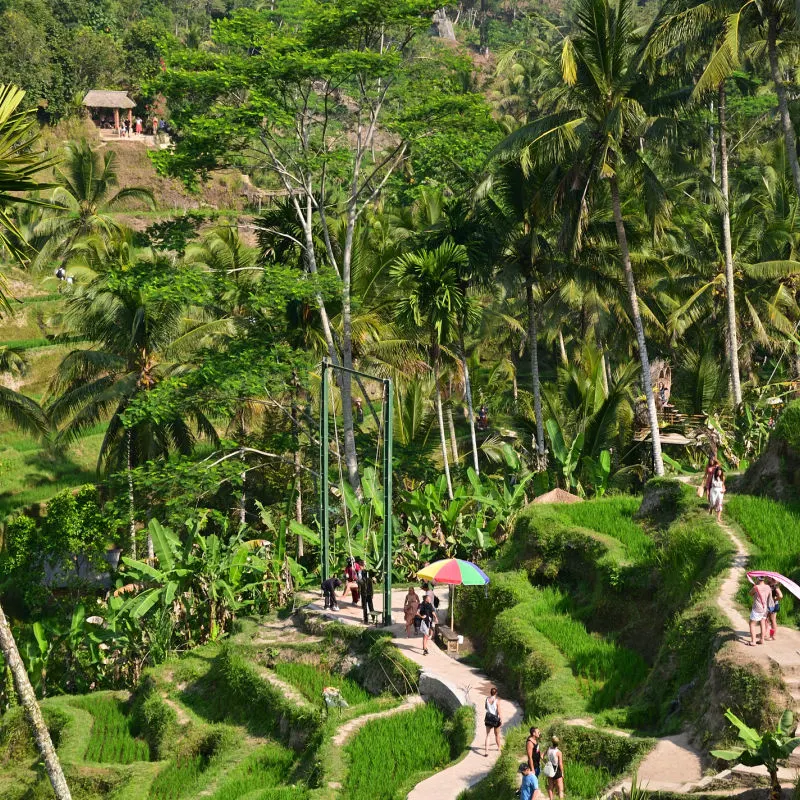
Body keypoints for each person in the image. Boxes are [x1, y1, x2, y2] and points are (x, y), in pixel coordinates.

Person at [748, 576, 772, 646]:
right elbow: (769, 596)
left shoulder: (756, 587)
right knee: (762, 623)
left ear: (758, 579)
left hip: (757, 608)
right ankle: (762, 640)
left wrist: (755, 585)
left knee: (752, 624)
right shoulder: (768, 587)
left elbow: (750, 593)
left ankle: (753, 641)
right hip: (765, 609)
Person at [544, 735, 564, 799]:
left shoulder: (548, 749)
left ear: (552, 742)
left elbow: (541, 756)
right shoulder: (559, 752)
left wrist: (545, 762)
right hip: (556, 769)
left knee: (550, 787)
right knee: (560, 789)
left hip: (550, 768)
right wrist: (562, 772)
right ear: (558, 743)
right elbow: (560, 764)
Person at [483, 687, 502, 756]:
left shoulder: (487, 699)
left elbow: (485, 707)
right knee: (497, 735)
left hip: (488, 718)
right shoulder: (497, 701)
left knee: (488, 735)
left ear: (490, 692)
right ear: (496, 693)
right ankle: (499, 748)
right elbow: (499, 711)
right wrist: (501, 719)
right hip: (495, 719)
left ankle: (486, 752)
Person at [356, 558, 375, 623]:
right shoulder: (369, 579)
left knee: (365, 608)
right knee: (371, 607)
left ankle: (366, 620)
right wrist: (372, 594)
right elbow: (372, 588)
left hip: (364, 595)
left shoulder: (360, 581)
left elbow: (359, 589)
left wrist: (358, 596)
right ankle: (373, 618)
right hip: (369, 595)